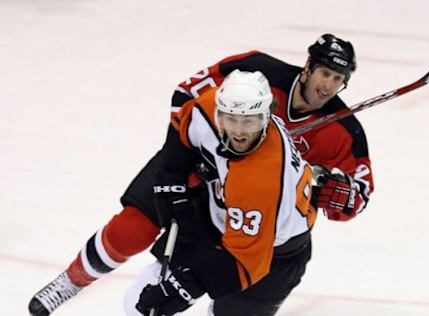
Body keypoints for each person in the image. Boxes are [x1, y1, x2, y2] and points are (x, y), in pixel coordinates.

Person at [29, 33, 373, 315]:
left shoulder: (343, 134)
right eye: (325, 72)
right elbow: (187, 99)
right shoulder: (253, 74)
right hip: (196, 169)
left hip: (257, 217)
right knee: (130, 229)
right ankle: (72, 280)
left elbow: (358, 194)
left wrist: (338, 193)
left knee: (231, 293)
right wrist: (193, 158)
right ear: (309, 66)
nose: (328, 84)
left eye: (338, 79)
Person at [124, 69, 318, 315]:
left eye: (249, 121)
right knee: (139, 301)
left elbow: (244, 264)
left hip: (274, 254)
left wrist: (187, 286)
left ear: (266, 117)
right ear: (219, 113)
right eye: (231, 119)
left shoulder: (260, 180)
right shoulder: (208, 107)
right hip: (220, 214)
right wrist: (172, 174)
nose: (238, 131)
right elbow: (183, 126)